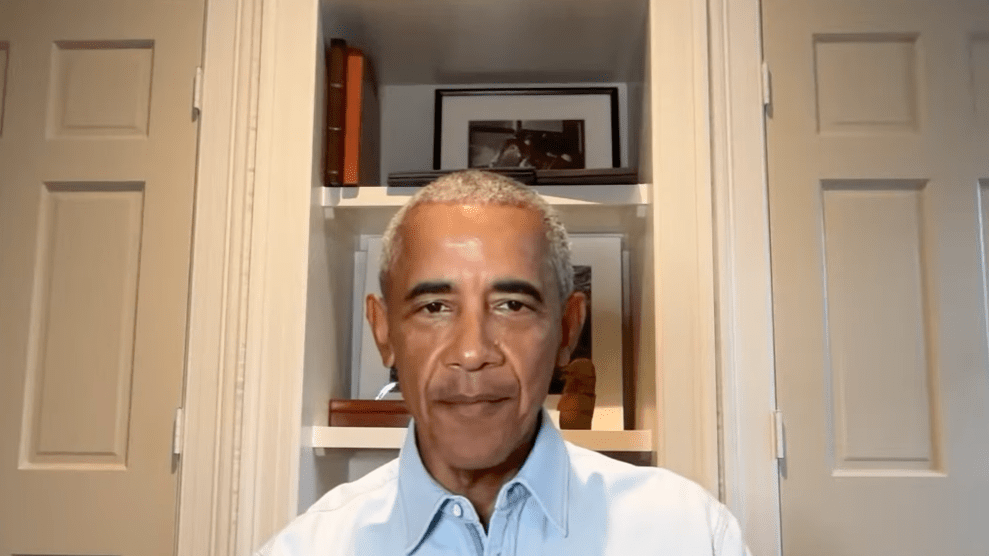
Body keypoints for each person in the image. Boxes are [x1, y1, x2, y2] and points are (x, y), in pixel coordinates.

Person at [255, 170, 751, 555]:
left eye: (511, 305)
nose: (472, 353)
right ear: (383, 332)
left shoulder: (691, 536)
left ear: (566, 330)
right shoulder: (306, 548)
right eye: (434, 307)